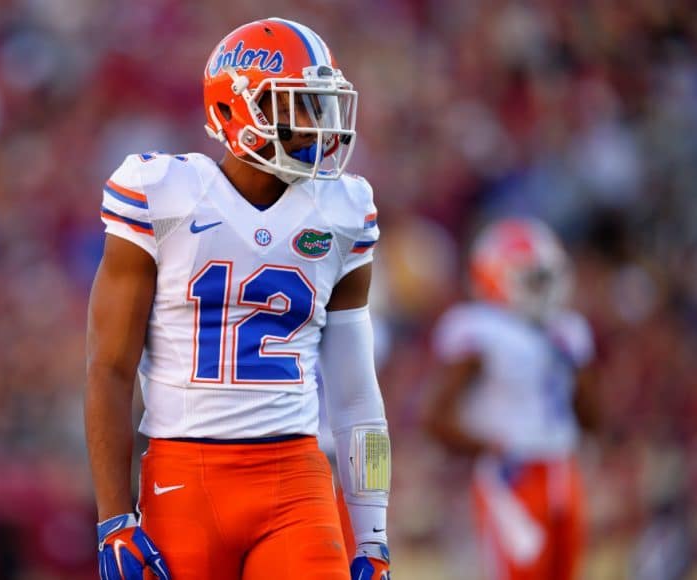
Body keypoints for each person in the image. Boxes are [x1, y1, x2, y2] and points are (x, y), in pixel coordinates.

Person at [85, 18, 391, 580]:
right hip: (184, 476)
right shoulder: (162, 194)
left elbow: (357, 398)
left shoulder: (345, 211)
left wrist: (372, 538)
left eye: (321, 105)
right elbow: (109, 368)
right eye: (297, 106)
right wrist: (113, 519)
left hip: (297, 477)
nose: (317, 126)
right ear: (235, 110)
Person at [423, 218, 600, 580]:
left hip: (563, 469)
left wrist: (571, 362)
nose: (544, 289)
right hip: (512, 477)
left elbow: (593, 418)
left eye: (546, 278)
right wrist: (493, 449)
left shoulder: (566, 330)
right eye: (533, 279)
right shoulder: (479, 329)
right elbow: (436, 418)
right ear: (494, 276)